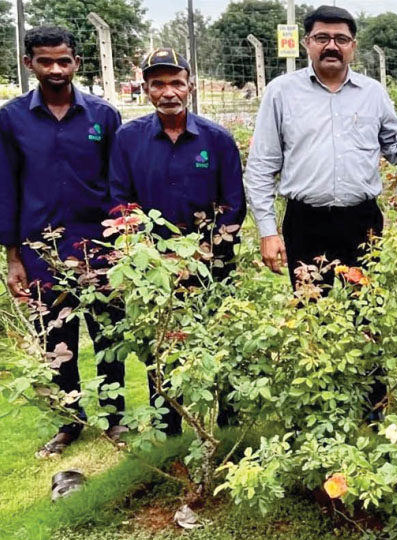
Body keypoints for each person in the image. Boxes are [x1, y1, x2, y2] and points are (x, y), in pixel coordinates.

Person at [244, 5, 397, 288]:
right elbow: (261, 167)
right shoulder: (281, 93)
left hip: (361, 221)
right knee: (311, 315)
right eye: (322, 38)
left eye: (340, 39)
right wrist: (268, 232)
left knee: (366, 313)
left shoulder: (372, 93)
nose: (331, 46)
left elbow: (395, 149)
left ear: (352, 46)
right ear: (307, 42)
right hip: (305, 222)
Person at [0, 26, 125, 457]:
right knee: (55, 337)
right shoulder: (11, 118)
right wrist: (13, 255)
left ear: (76, 63)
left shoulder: (103, 117)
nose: (56, 69)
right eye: (46, 61)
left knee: (109, 334)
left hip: (98, 245)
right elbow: (6, 185)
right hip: (40, 250)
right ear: (29, 63)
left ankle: (115, 415)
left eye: (64, 61)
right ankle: (69, 422)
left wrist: (124, 244)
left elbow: (117, 184)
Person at [109, 48, 246, 436]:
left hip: (213, 264)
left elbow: (234, 204)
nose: (168, 91)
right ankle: (168, 420)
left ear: (190, 86)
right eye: (158, 84)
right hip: (154, 267)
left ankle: (230, 414)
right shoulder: (127, 139)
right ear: (147, 90)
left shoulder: (217, 140)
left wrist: (203, 251)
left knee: (221, 334)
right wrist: (153, 254)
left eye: (175, 82)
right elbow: (120, 202)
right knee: (164, 341)